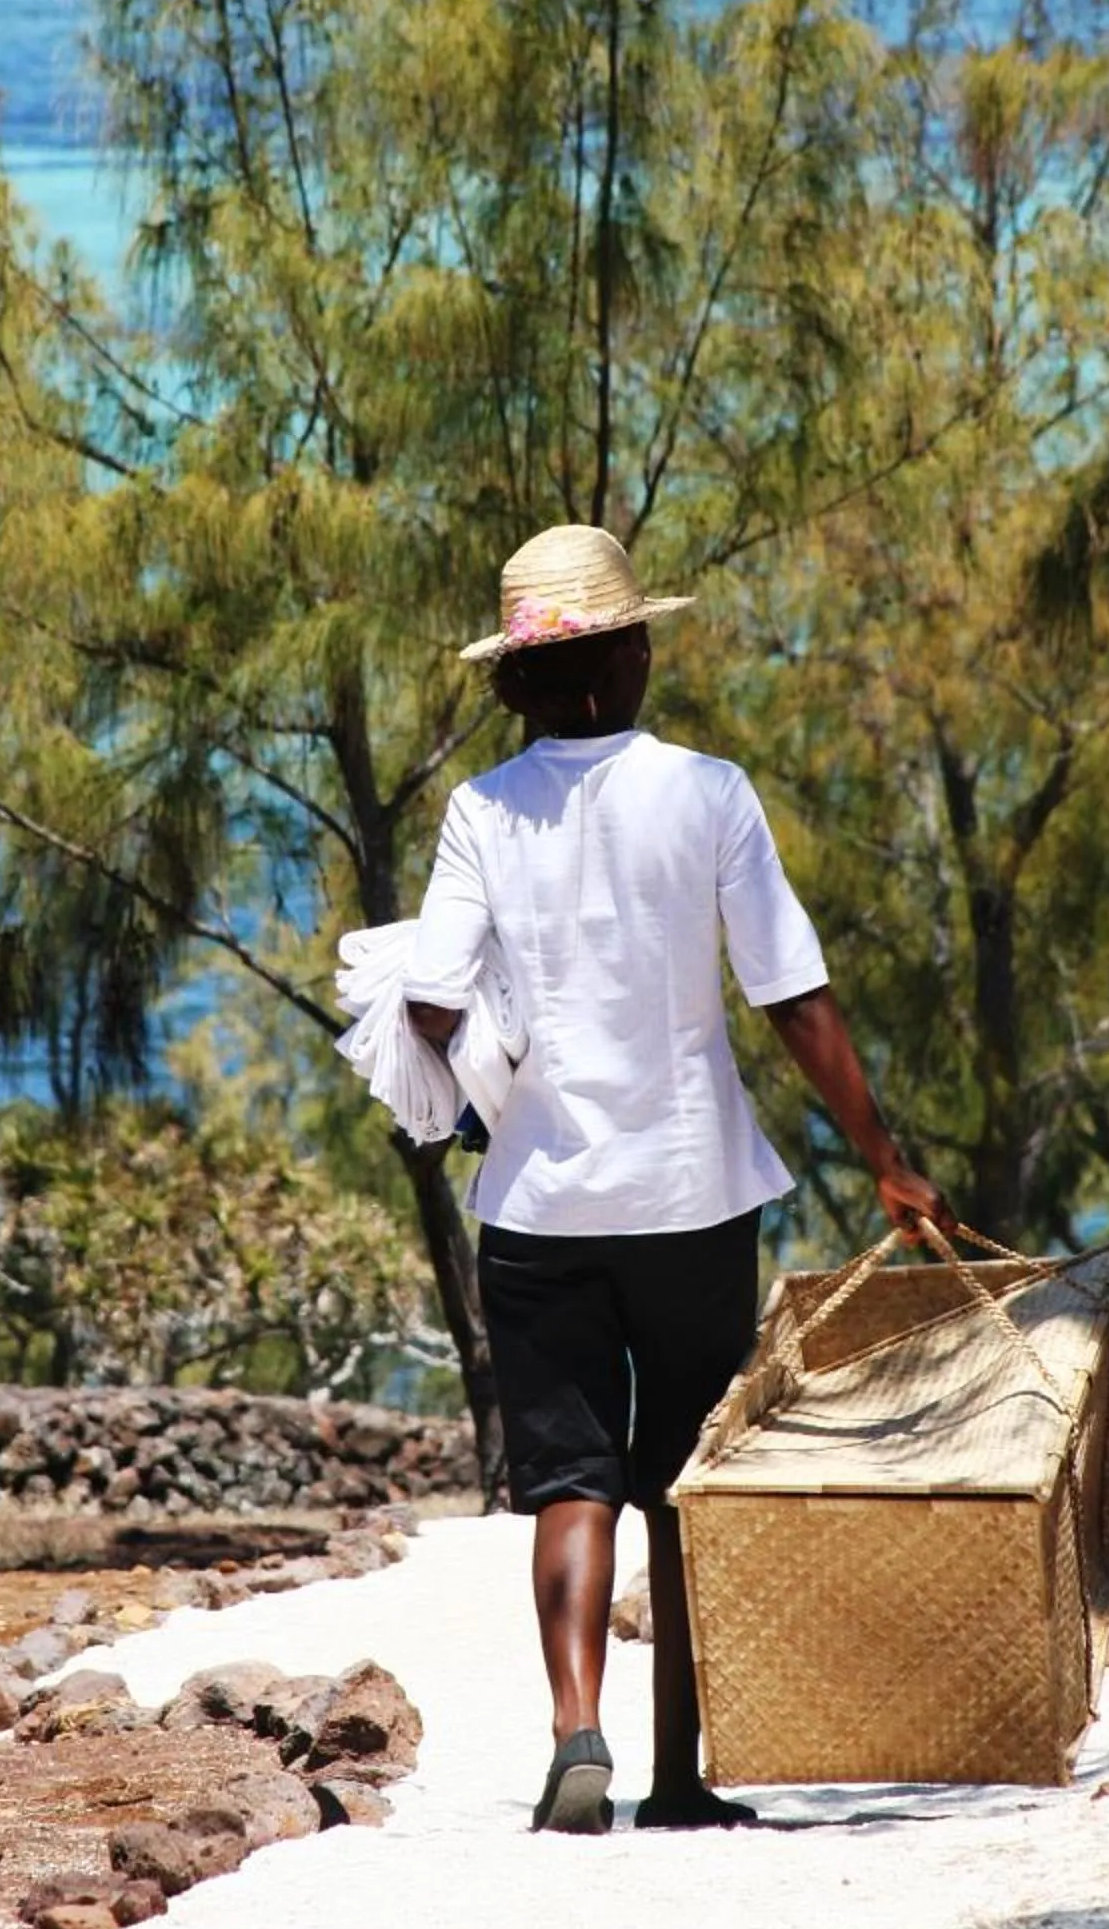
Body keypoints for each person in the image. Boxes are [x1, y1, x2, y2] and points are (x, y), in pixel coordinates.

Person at [403, 522, 956, 1835]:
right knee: (685, 1480)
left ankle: (574, 1733)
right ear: (631, 656)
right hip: (692, 1198)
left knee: (570, 1479)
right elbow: (793, 997)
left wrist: (482, 1064)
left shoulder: (482, 813)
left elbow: (427, 1001)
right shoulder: (709, 793)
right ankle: (684, 1777)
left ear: (521, 682)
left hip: (537, 1207)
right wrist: (885, 1162)